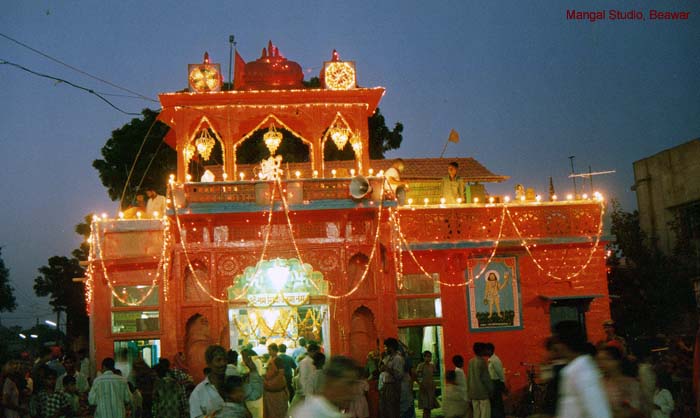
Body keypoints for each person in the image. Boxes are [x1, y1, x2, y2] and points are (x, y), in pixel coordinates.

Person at [553, 320, 611, 418]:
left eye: (557, 342)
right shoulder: (574, 369)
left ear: (564, 344)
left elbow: (598, 412)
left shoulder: (582, 371)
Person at [189, 345, 262, 418]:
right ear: (209, 363)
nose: (223, 363)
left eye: (225, 360)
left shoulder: (233, 383)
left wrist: (253, 370)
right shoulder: (198, 393)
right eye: (218, 360)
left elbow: (255, 393)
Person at [288, 356, 361, 418]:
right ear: (331, 381)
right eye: (349, 383)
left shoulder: (330, 412)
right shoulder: (310, 413)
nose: (354, 391)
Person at [596, 345, 641, 418]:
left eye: (606, 359)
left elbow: (636, 409)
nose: (601, 363)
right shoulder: (599, 383)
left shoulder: (630, 383)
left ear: (617, 361)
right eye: (599, 360)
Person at [379, 338, 404, 418]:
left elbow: (399, 375)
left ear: (391, 347)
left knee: (392, 410)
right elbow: (381, 368)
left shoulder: (398, 358)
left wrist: (387, 368)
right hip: (385, 386)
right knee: (384, 410)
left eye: (386, 347)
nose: (385, 349)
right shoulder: (387, 357)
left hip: (392, 386)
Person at [467, 343, 493, 418]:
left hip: (473, 392)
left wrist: (468, 392)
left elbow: (468, 378)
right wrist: (491, 390)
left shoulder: (470, 361)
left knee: (476, 413)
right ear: (481, 351)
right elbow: (486, 378)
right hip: (482, 392)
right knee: (485, 413)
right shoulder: (482, 362)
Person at [485, 343, 506, 418]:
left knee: (497, 403)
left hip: (496, 383)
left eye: (486, 350)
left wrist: (503, 383)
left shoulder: (495, 360)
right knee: (495, 402)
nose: (485, 352)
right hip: (493, 383)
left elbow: (500, 372)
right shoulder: (491, 359)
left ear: (490, 350)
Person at [416, 351, 438, 418]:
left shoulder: (432, 365)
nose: (429, 358)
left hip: (431, 386)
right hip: (424, 386)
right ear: (424, 357)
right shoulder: (421, 365)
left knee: (430, 406)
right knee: (425, 406)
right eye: (427, 356)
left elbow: (433, 374)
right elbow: (418, 376)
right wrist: (420, 384)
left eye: (430, 356)